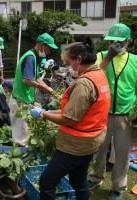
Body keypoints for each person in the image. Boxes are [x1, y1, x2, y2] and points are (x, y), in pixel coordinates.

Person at [30, 39, 111, 200]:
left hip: (75, 144)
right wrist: (50, 110)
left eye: (68, 62)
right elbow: (80, 109)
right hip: (92, 140)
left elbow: (69, 119)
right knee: (78, 180)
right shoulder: (99, 75)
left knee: (46, 181)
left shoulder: (84, 84)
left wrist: (43, 114)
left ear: (79, 59)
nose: (68, 67)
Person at [88, 23, 137, 200]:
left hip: (126, 116)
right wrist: (108, 56)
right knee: (99, 149)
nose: (117, 44)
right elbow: (93, 77)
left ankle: (118, 188)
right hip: (102, 114)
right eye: (113, 40)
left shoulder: (135, 61)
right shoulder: (101, 56)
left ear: (129, 41)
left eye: (121, 41)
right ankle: (95, 177)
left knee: (123, 154)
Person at [9, 33, 58, 146]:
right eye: (48, 48)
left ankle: (21, 157)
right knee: (21, 137)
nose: (49, 51)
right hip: (20, 101)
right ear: (42, 45)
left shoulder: (33, 56)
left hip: (24, 100)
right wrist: (42, 87)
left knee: (25, 132)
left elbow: (35, 78)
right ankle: (18, 159)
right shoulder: (30, 57)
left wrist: (48, 88)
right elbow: (26, 80)